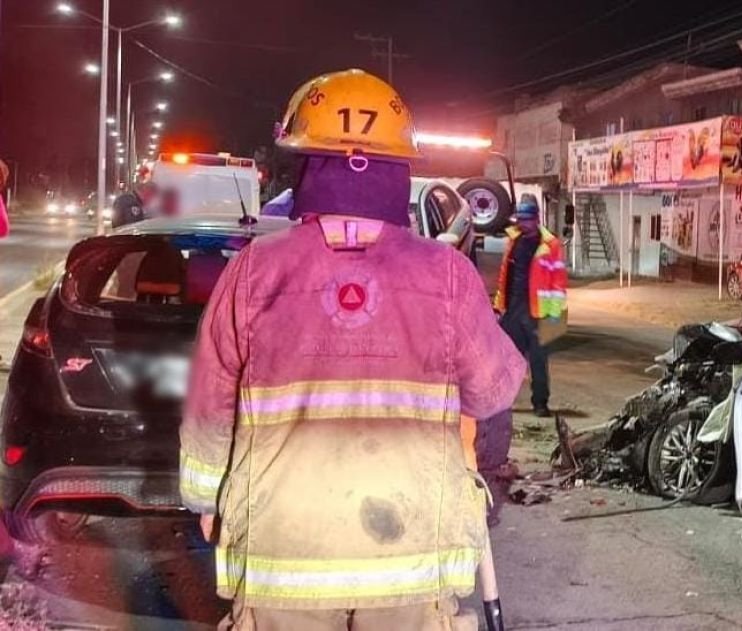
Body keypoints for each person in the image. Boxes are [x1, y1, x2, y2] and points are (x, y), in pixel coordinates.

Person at [180, 68, 526, 631]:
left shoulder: (253, 271)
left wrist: (206, 499)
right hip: (409, 554)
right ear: (398, 170)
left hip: (283, 552)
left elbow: (209, 404)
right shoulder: (447, 274)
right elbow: (493, 392)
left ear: (305, 165)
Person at [494, 199, 568, 417]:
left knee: (538, 361)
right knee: (508, 360)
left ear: (536, 219)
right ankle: (503, 400)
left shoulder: (551, 245)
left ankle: (540, 403)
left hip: (539, 313)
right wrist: (499, 306)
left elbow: (558, 282)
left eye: (526, 220)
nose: (523, 224)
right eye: (520, 219)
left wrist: (554, 316)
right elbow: (504, 276)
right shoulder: (513, 241)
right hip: (514, 310)